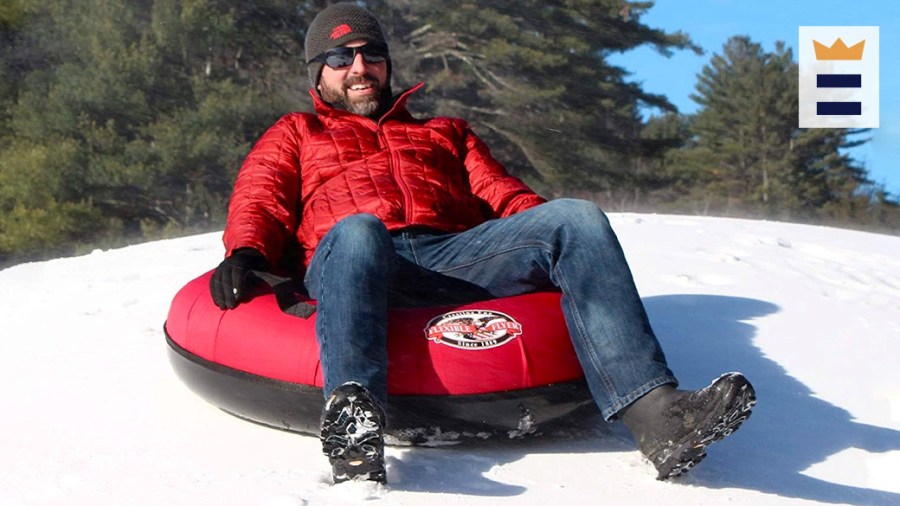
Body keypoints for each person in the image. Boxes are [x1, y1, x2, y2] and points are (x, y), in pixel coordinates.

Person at [209, 3, 756, 485]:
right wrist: (247, 252)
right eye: (341, 56)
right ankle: (356, 425)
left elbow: (501, 192)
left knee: (576, 217)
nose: (359, 68)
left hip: (450, 256)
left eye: (371, 53)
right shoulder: (299, 131)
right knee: (360, 228)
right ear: (318, 72)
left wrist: (558, 235)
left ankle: (657, 416)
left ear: (386, 63)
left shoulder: (444, 132)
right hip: (353, 258)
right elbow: (260, 195)